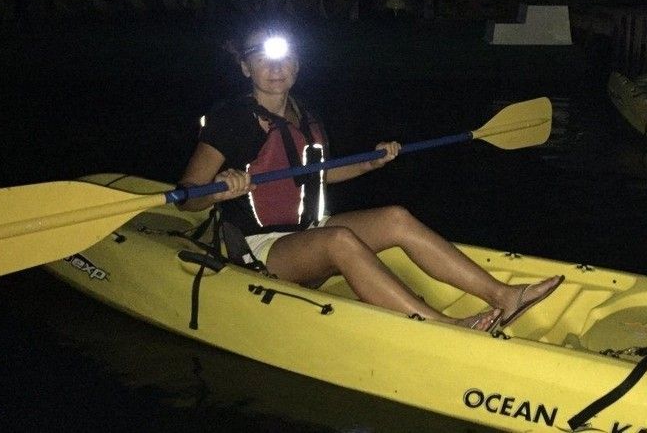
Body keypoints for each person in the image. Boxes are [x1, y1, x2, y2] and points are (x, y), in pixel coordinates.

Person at [177, 22, 563, 331]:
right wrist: (220, 191)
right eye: (261, 59)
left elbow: (316, 177)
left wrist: (368, 164)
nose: (275, 68)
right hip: (260, 247)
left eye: (284, 58)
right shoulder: (232, 120)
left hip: (310, 229)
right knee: (340, 240)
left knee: (395, 216)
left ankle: (503, 295)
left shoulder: (305, 114)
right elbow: (189, 194)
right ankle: (444, 326)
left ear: (297, 63)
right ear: (245, 67)